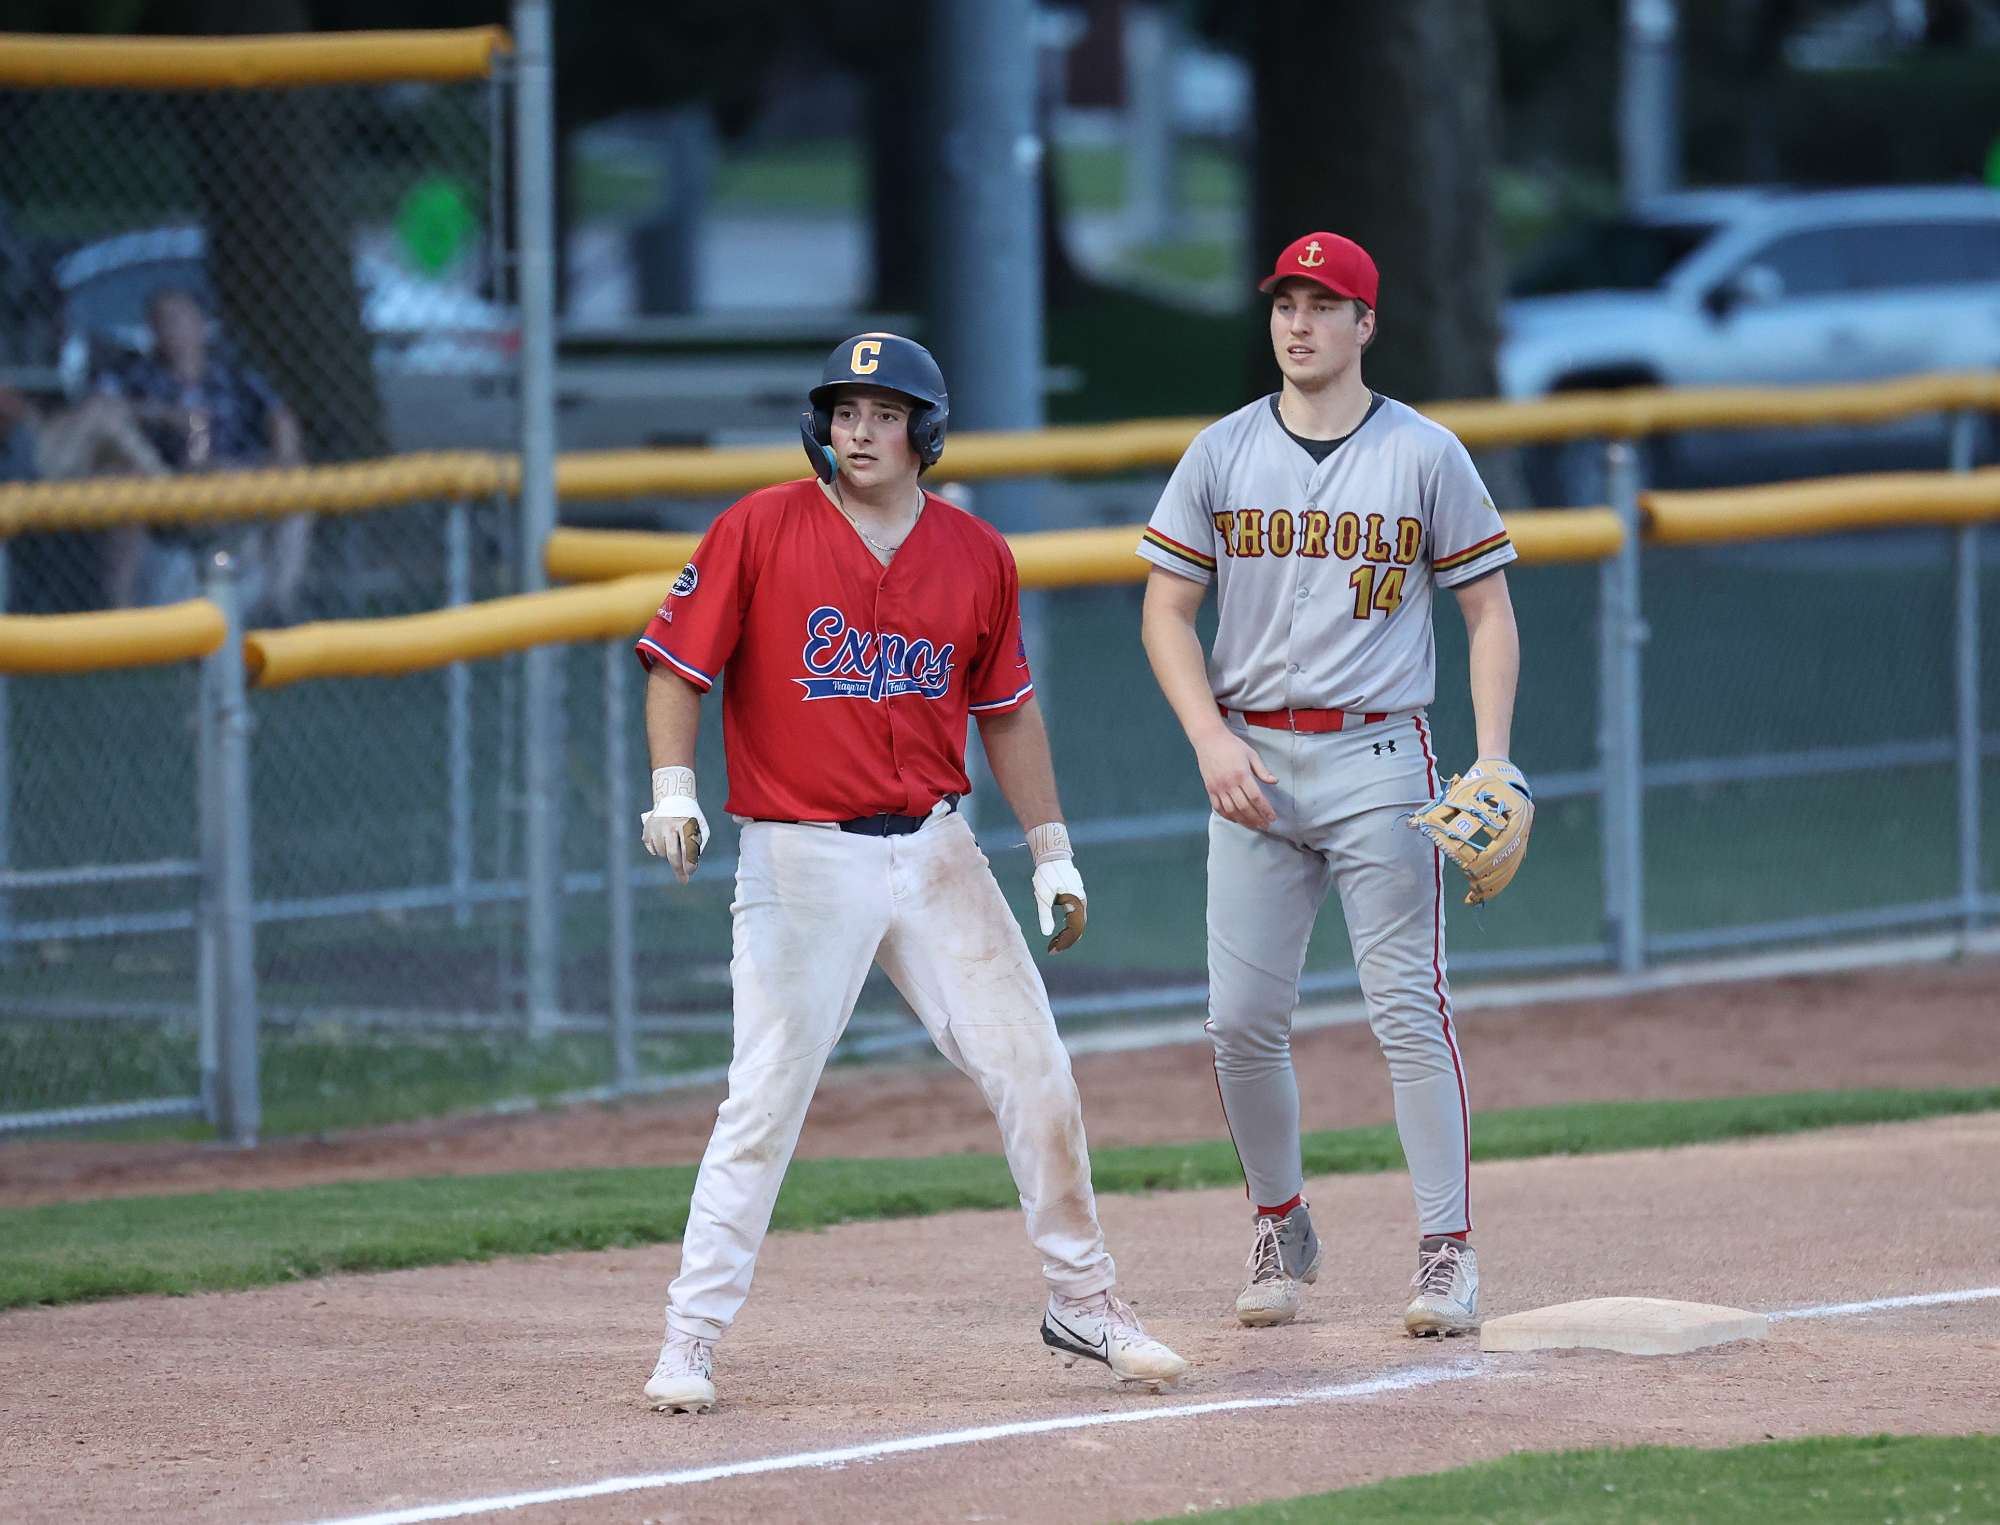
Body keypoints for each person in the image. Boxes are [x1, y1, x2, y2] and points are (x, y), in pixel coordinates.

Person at [632, 332, 1189, 1413]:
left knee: (1035, 1070)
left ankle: (1084, 1300)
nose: (859, 432)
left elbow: (1007, 711)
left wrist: (1051, 851)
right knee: (765, 1096)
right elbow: (677, 665)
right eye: (845, 412)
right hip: (801, 852)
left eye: (883, 415)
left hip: (937, 849)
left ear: (923, 433)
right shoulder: (759, 526)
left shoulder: (976, 553)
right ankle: (689, 1334)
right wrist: (672, 786)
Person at [1137, 232, 1527, 1338]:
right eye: (1285, 303)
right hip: (1251, 759)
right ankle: (1279, 1223)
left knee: (1405, 1006)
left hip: (1377, 758)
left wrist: (1493, 758)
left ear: (1366, 324)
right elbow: (1165, 610)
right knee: (1239, 1020)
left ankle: (1446, 1251)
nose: (1298, 323)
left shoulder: (1424, 453)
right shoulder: (1220, 450)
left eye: (1322, 304)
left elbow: (1487, 611)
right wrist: (1208, 738)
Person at [97, 285, 309, 621]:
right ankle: (119, 612)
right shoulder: (136, 374)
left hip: (234, 474)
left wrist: (285, 453)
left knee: (296, 481)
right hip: (165, 480)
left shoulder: (231, 373)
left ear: (200, 324)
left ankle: (279, 605)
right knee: (129, 476)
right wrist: (163, 415)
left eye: (180, 319)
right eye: (162, 321)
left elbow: (278, 414)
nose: (172, 329)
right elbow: (100, 411)